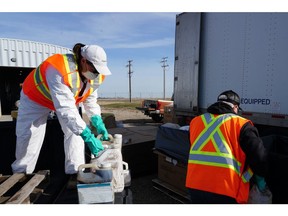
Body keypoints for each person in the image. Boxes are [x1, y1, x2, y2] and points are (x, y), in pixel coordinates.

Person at [11, 43, 112, 175]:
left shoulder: (96, 74)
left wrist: (97, 121)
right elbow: (66, 108)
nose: (96, 73)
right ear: (83, 61)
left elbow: (90, 99)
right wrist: (88, 136)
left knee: (75, 132)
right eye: (94, 69)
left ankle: (75, 172)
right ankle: (20, 173)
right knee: (29, 135)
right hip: (36, 98)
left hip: (66, 100)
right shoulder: (59, 69)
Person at [185, 90, 268, 204]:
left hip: (195, 186)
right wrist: (260, 179)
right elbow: (259, 157)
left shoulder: (196, 121)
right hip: (226, 190)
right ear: (235, 107)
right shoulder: (241, 124)